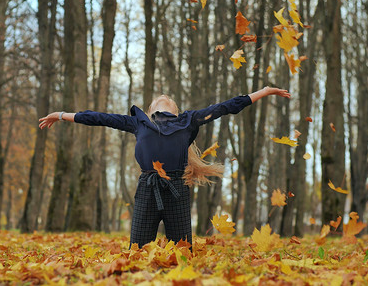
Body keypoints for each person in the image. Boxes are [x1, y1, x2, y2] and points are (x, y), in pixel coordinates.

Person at [39, 86, 290, 249]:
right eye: (160, 99)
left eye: (168, 98)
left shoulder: (189, 121)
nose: (164, 97)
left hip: (177, 191)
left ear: (174, 109)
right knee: (137, 251)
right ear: (151, 111)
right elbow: (99, 118)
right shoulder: (138, 123)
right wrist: (61, 115)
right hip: (147, 189)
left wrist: (264, 92)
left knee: (181, 252)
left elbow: (226, 107)